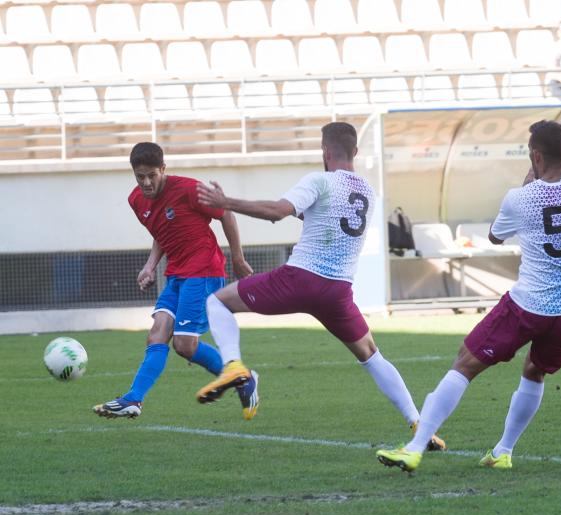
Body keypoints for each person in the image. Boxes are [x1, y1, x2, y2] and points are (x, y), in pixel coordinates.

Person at [375, 120, 561, 472]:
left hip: (528, 304)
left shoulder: (519, 198)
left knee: (464, 363)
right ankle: (503, 451)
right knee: (535, 371)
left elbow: (494, 236)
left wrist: (526, 186)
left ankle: (415, 447)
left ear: (535, 157)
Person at [193, 122, 445, 450]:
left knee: (218, 302)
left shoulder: (320, 180)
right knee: (371, 354)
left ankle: (234, 367)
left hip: (299, 279)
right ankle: (418, 425)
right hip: (337, 293)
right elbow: (317, 216)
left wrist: (225, 201)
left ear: (324, 153)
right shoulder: (367, 191)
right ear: (355, 152)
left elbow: (277, 212)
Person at [93, 142, 254, 419]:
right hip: (176, 274)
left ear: (163, 169)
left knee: (184, 345)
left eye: (152, 175)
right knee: (156, 334)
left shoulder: (188, 189)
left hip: (203, 271)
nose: (146, 182)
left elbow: (225, 211)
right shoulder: (136, 200)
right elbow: (162, 229)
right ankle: (134, 400)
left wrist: (238, 258)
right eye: (140, 176)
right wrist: (150, 263)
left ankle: (245, 377)